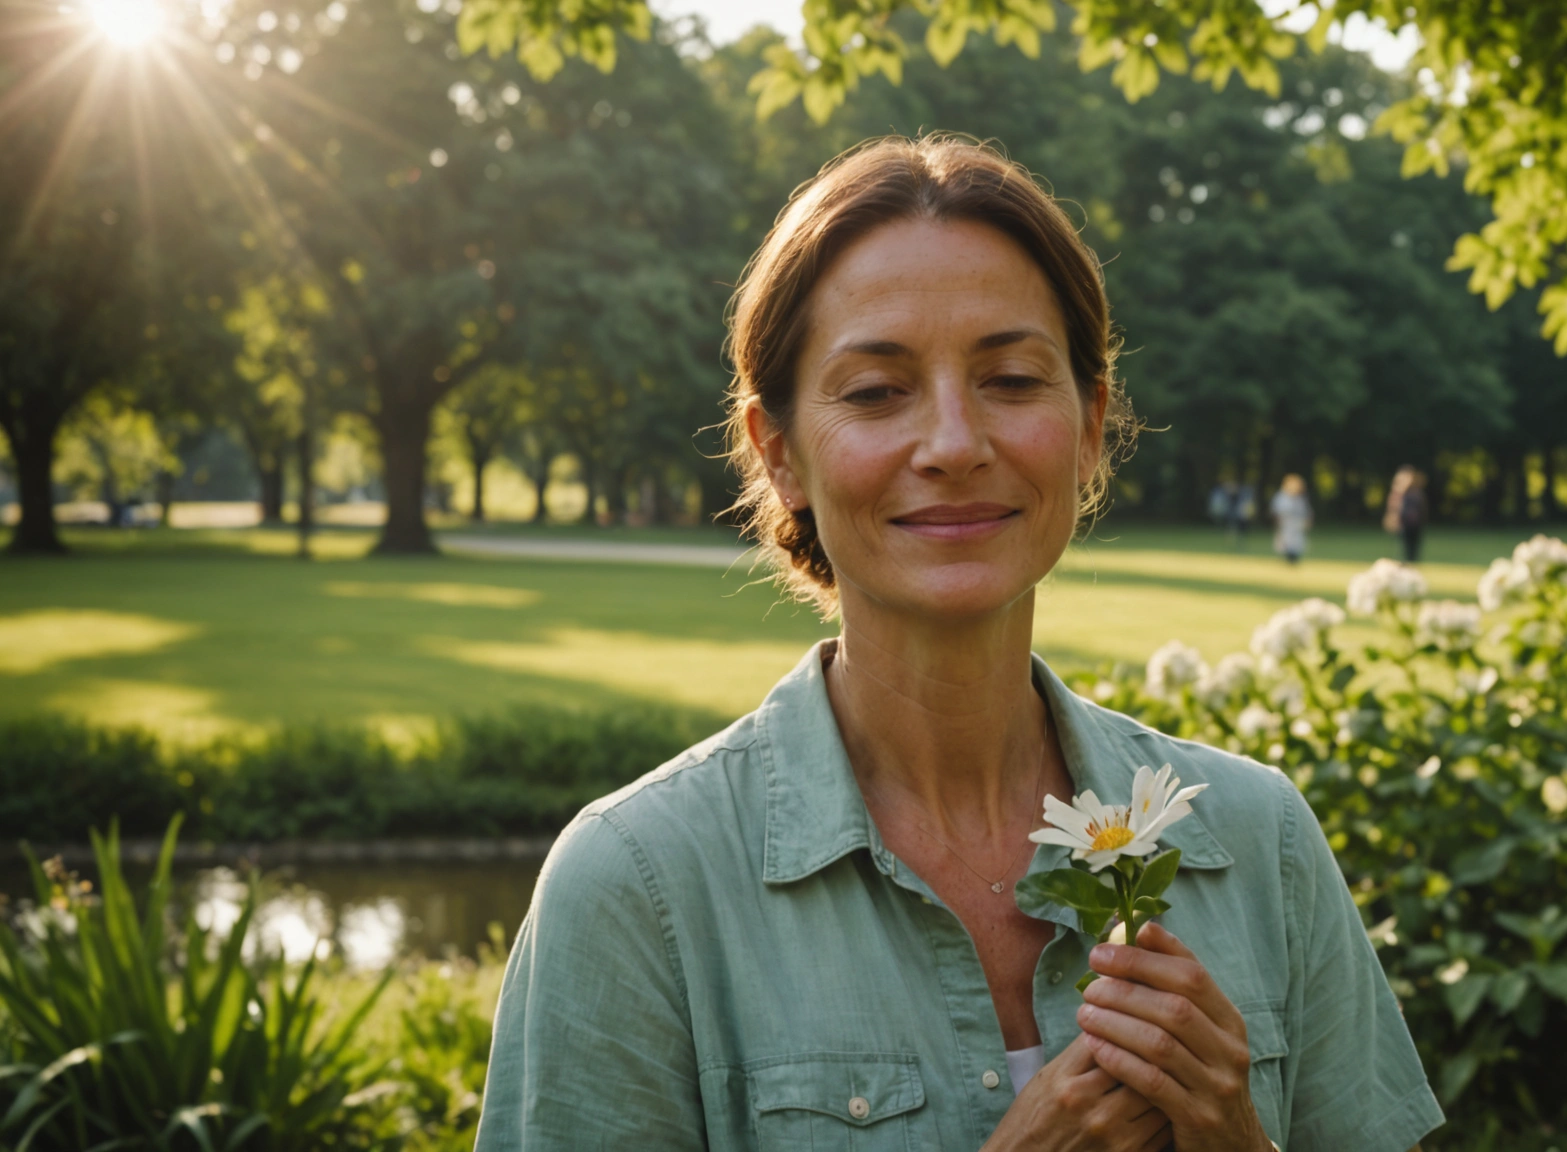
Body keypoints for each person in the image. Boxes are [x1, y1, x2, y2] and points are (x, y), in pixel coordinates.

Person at [476, 136, 1442, 1152]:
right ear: (780, 453)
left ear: (1088, 425)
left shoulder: (1260, 841)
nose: (952, 443)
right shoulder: (637, 887)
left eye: (1013, 378)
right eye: (876, 391)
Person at [1382, 466, 1426, 564]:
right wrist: (1392, 519)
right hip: (1404, 523)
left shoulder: (1415, 491)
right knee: (1404, 548)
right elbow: (1393, 508)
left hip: (1415, 524)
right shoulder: (1398, 493)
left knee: (1414, 548)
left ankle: (1412, 564)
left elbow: (1421, 508)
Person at [1271, 473, 1312, 564]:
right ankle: (1289, 559)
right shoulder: (1282, 497)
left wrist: (1307, 521)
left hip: (1297, 524)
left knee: (1297, 543)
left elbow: (1306, 512)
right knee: (1286, 543)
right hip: (1286, 524)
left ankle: (1293, 559)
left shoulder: (1300, 498)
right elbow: (1277, 511)